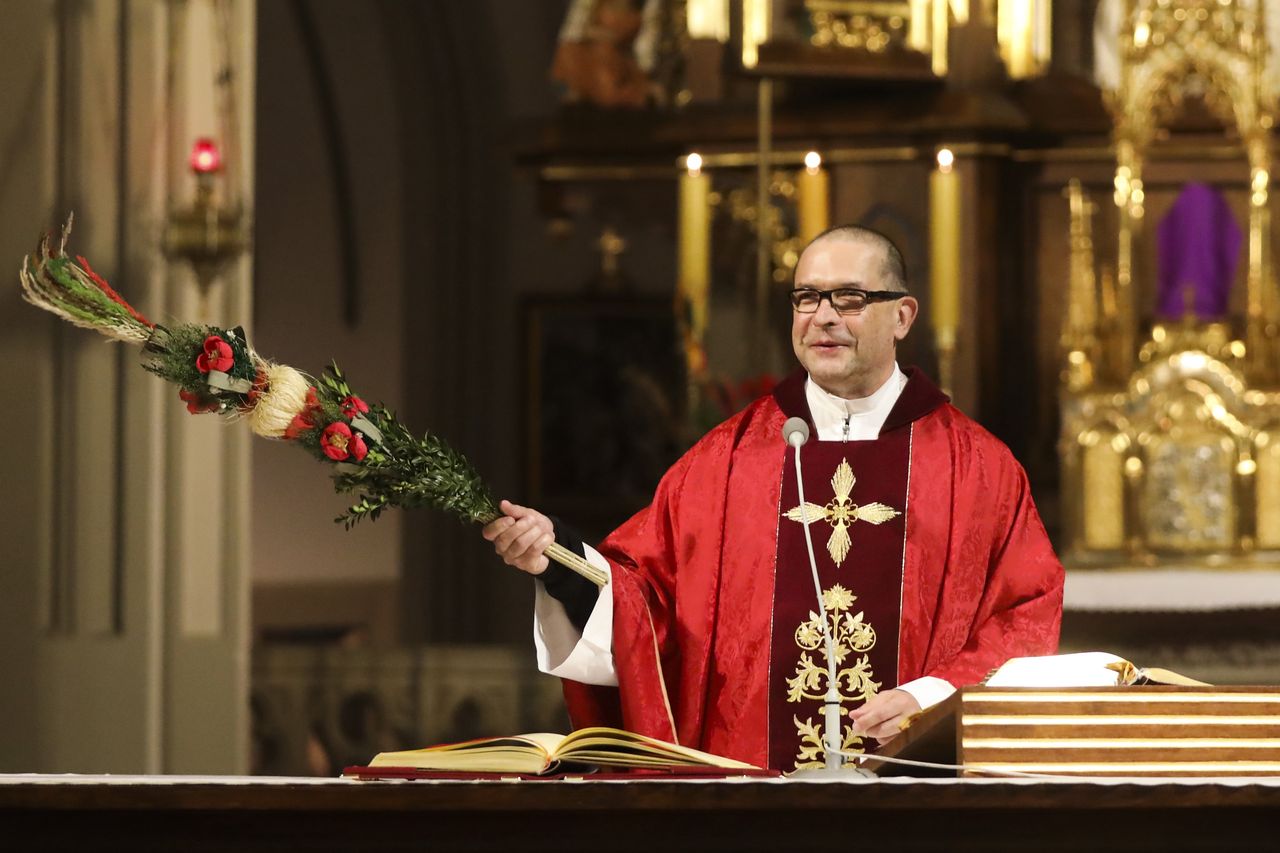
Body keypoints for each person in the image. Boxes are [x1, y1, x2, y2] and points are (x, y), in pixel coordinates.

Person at [484, 225, 1064, 772]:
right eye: (806, 298)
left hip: (913, 794)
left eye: (850, 298)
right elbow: (645, 601)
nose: (823, 318)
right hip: (752, 797)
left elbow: (1026, 613)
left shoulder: (978, 468)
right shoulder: (726, 461)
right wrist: (558, 560)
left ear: (903, 316)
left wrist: (928, 696)